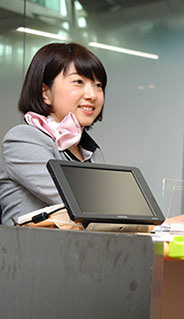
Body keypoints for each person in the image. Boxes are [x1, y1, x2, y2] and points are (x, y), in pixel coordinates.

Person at [0, 42, 106, 225]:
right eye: (78, 82)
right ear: (45, 93)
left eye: (98, 85)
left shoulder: (91, 151)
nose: (92, 95)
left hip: (85, 250)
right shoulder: (23, 139)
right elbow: (87, 205)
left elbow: (109, 213)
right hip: (32, 251)